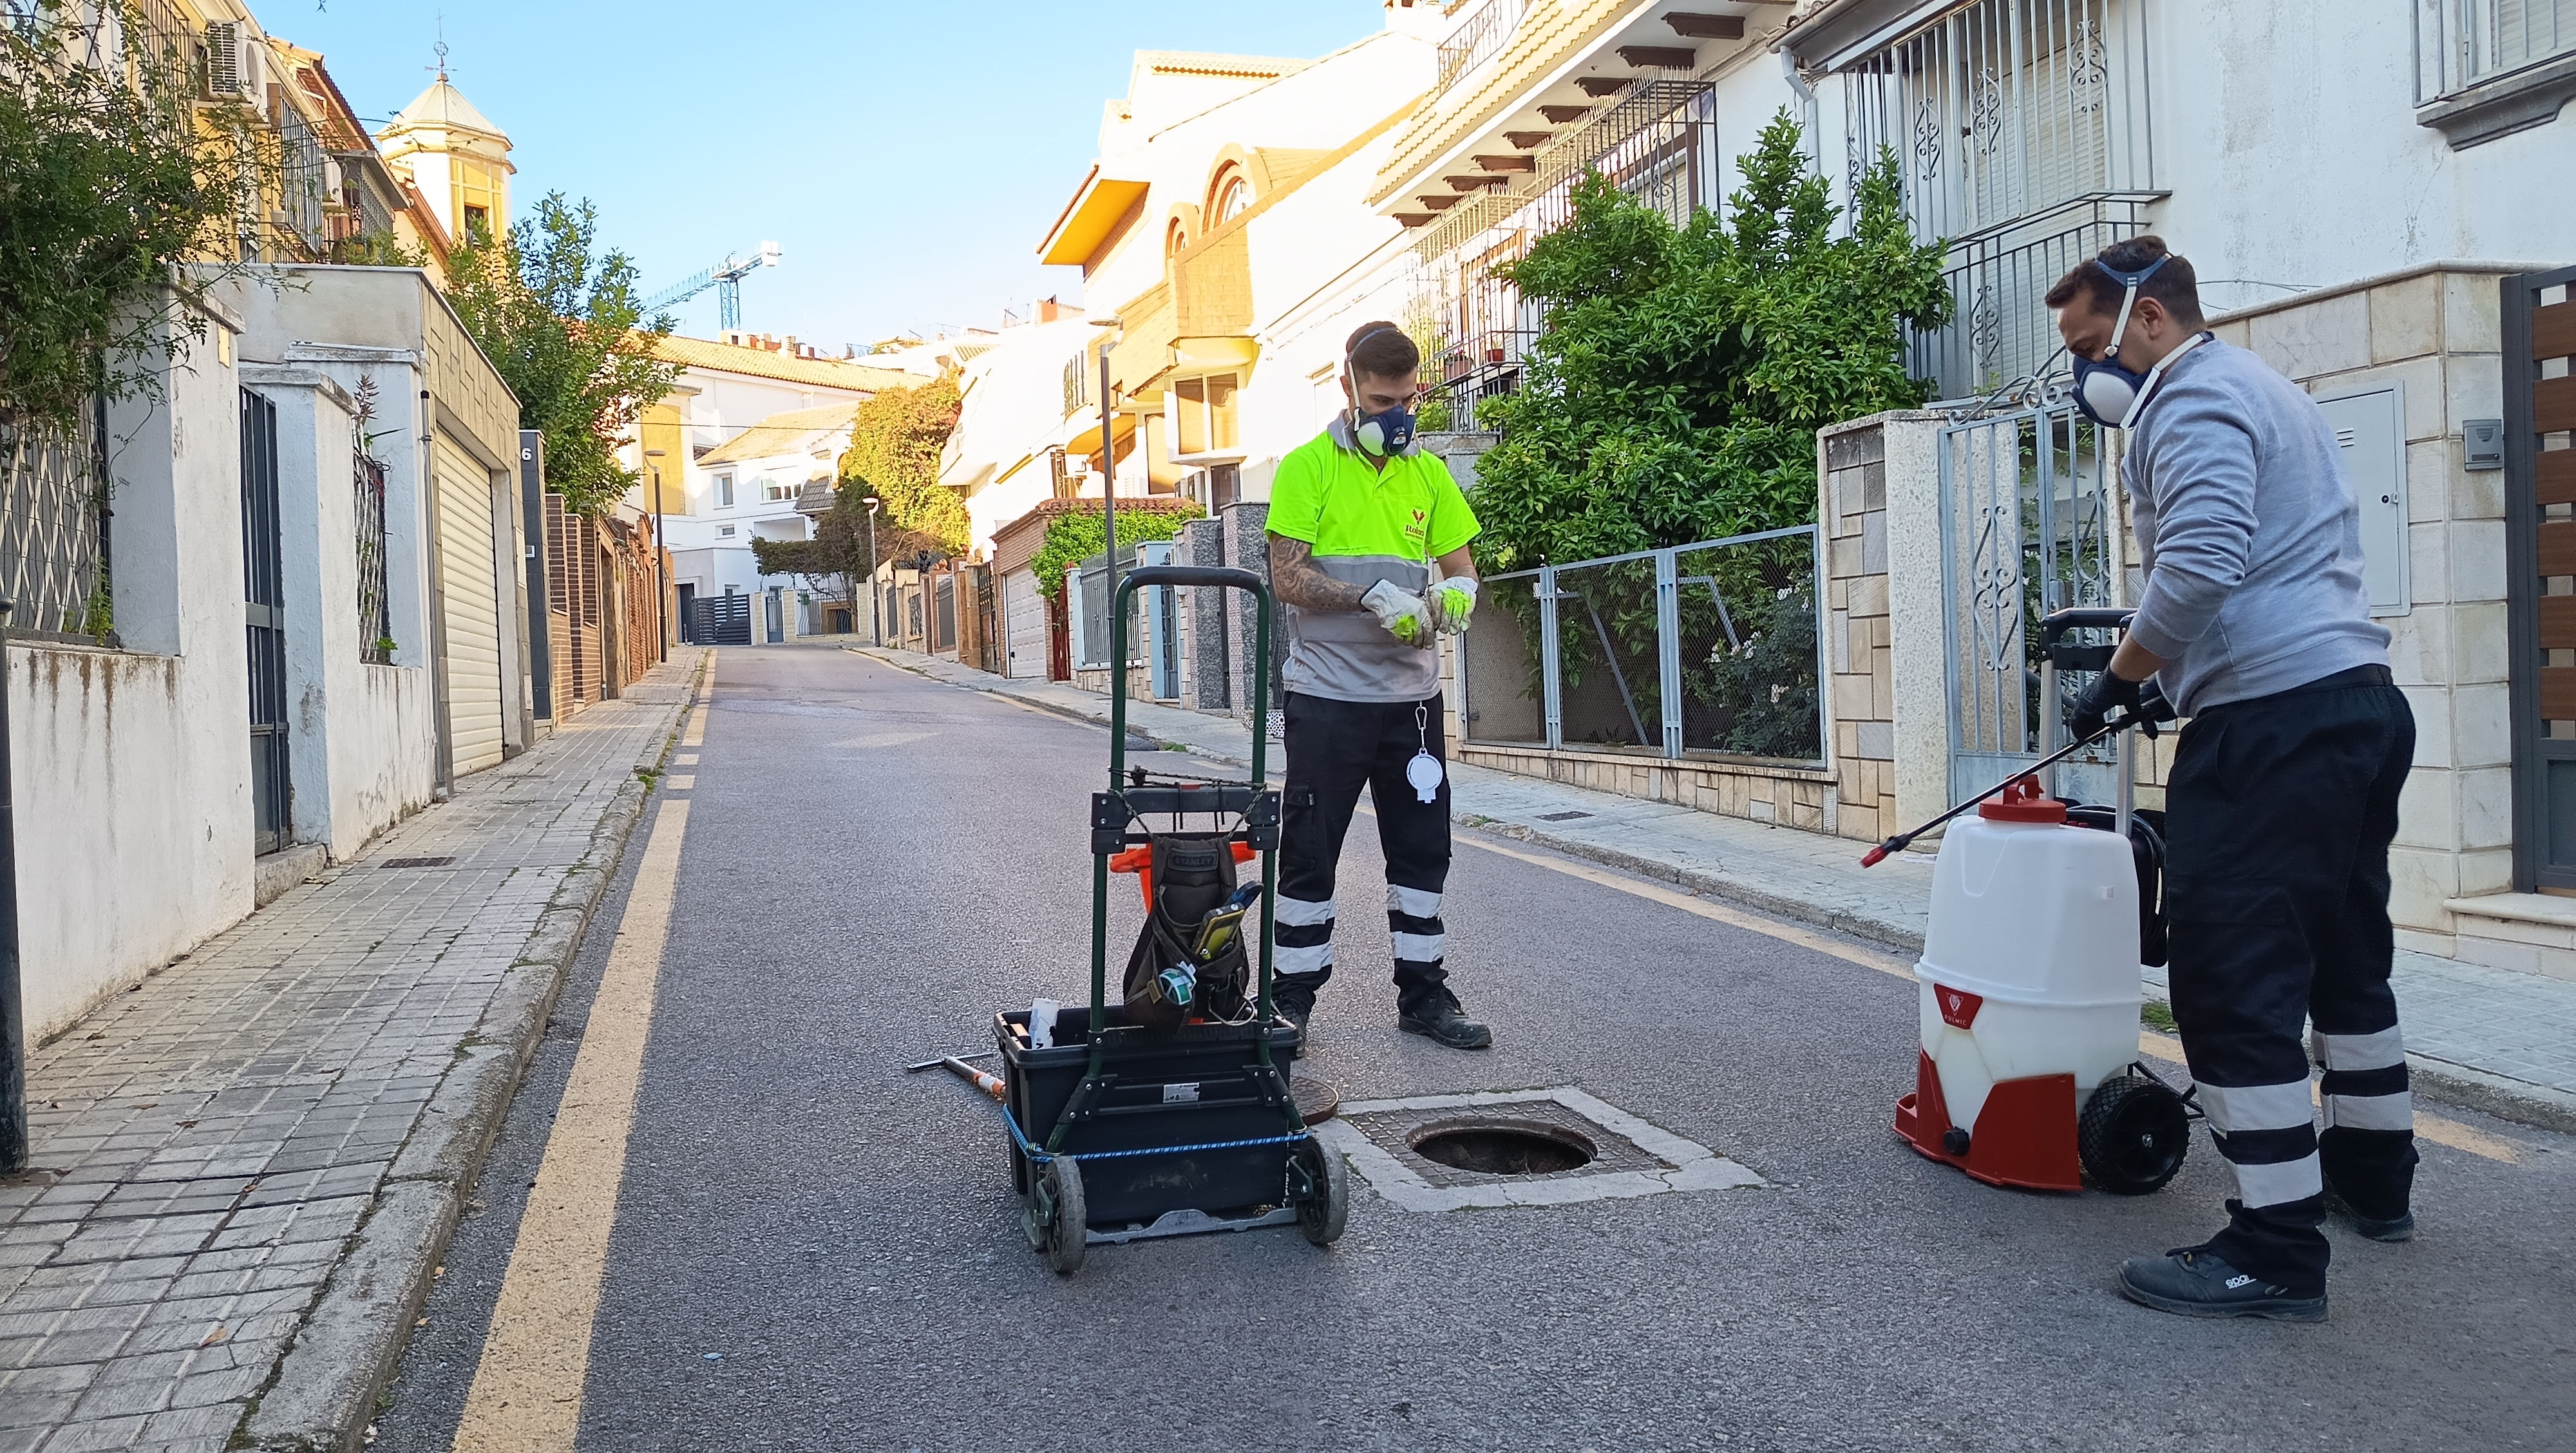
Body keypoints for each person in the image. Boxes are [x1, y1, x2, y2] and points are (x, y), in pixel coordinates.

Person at [2050, 237, 2417, 1322]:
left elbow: (2203, 560)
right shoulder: (2267, 388)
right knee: (2346, 955)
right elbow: (2266, 570)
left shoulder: (2187, 399)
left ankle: (2273, 1248)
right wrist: (2176, 685)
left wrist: (2122, 679)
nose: (2084, 376)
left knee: (2230, 974)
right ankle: (2372, 1178)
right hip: (2351, 701)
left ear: (2147, 321)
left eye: (2086, 346)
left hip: (2276, 728)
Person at [1261, 321, 1491, 1054]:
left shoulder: (1427, 474)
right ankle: (1291, 999)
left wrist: (1460, 595)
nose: (1395, 414)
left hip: (1412, 703)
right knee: (1310, 851)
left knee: (1423, 852)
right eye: (1380, 398)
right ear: (1348, 390)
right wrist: (1366, 599)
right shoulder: (1307, 469)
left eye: (1407, 398)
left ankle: (1424, 994)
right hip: (1327, 698)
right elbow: (1286, 577)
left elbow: (1461, 568)